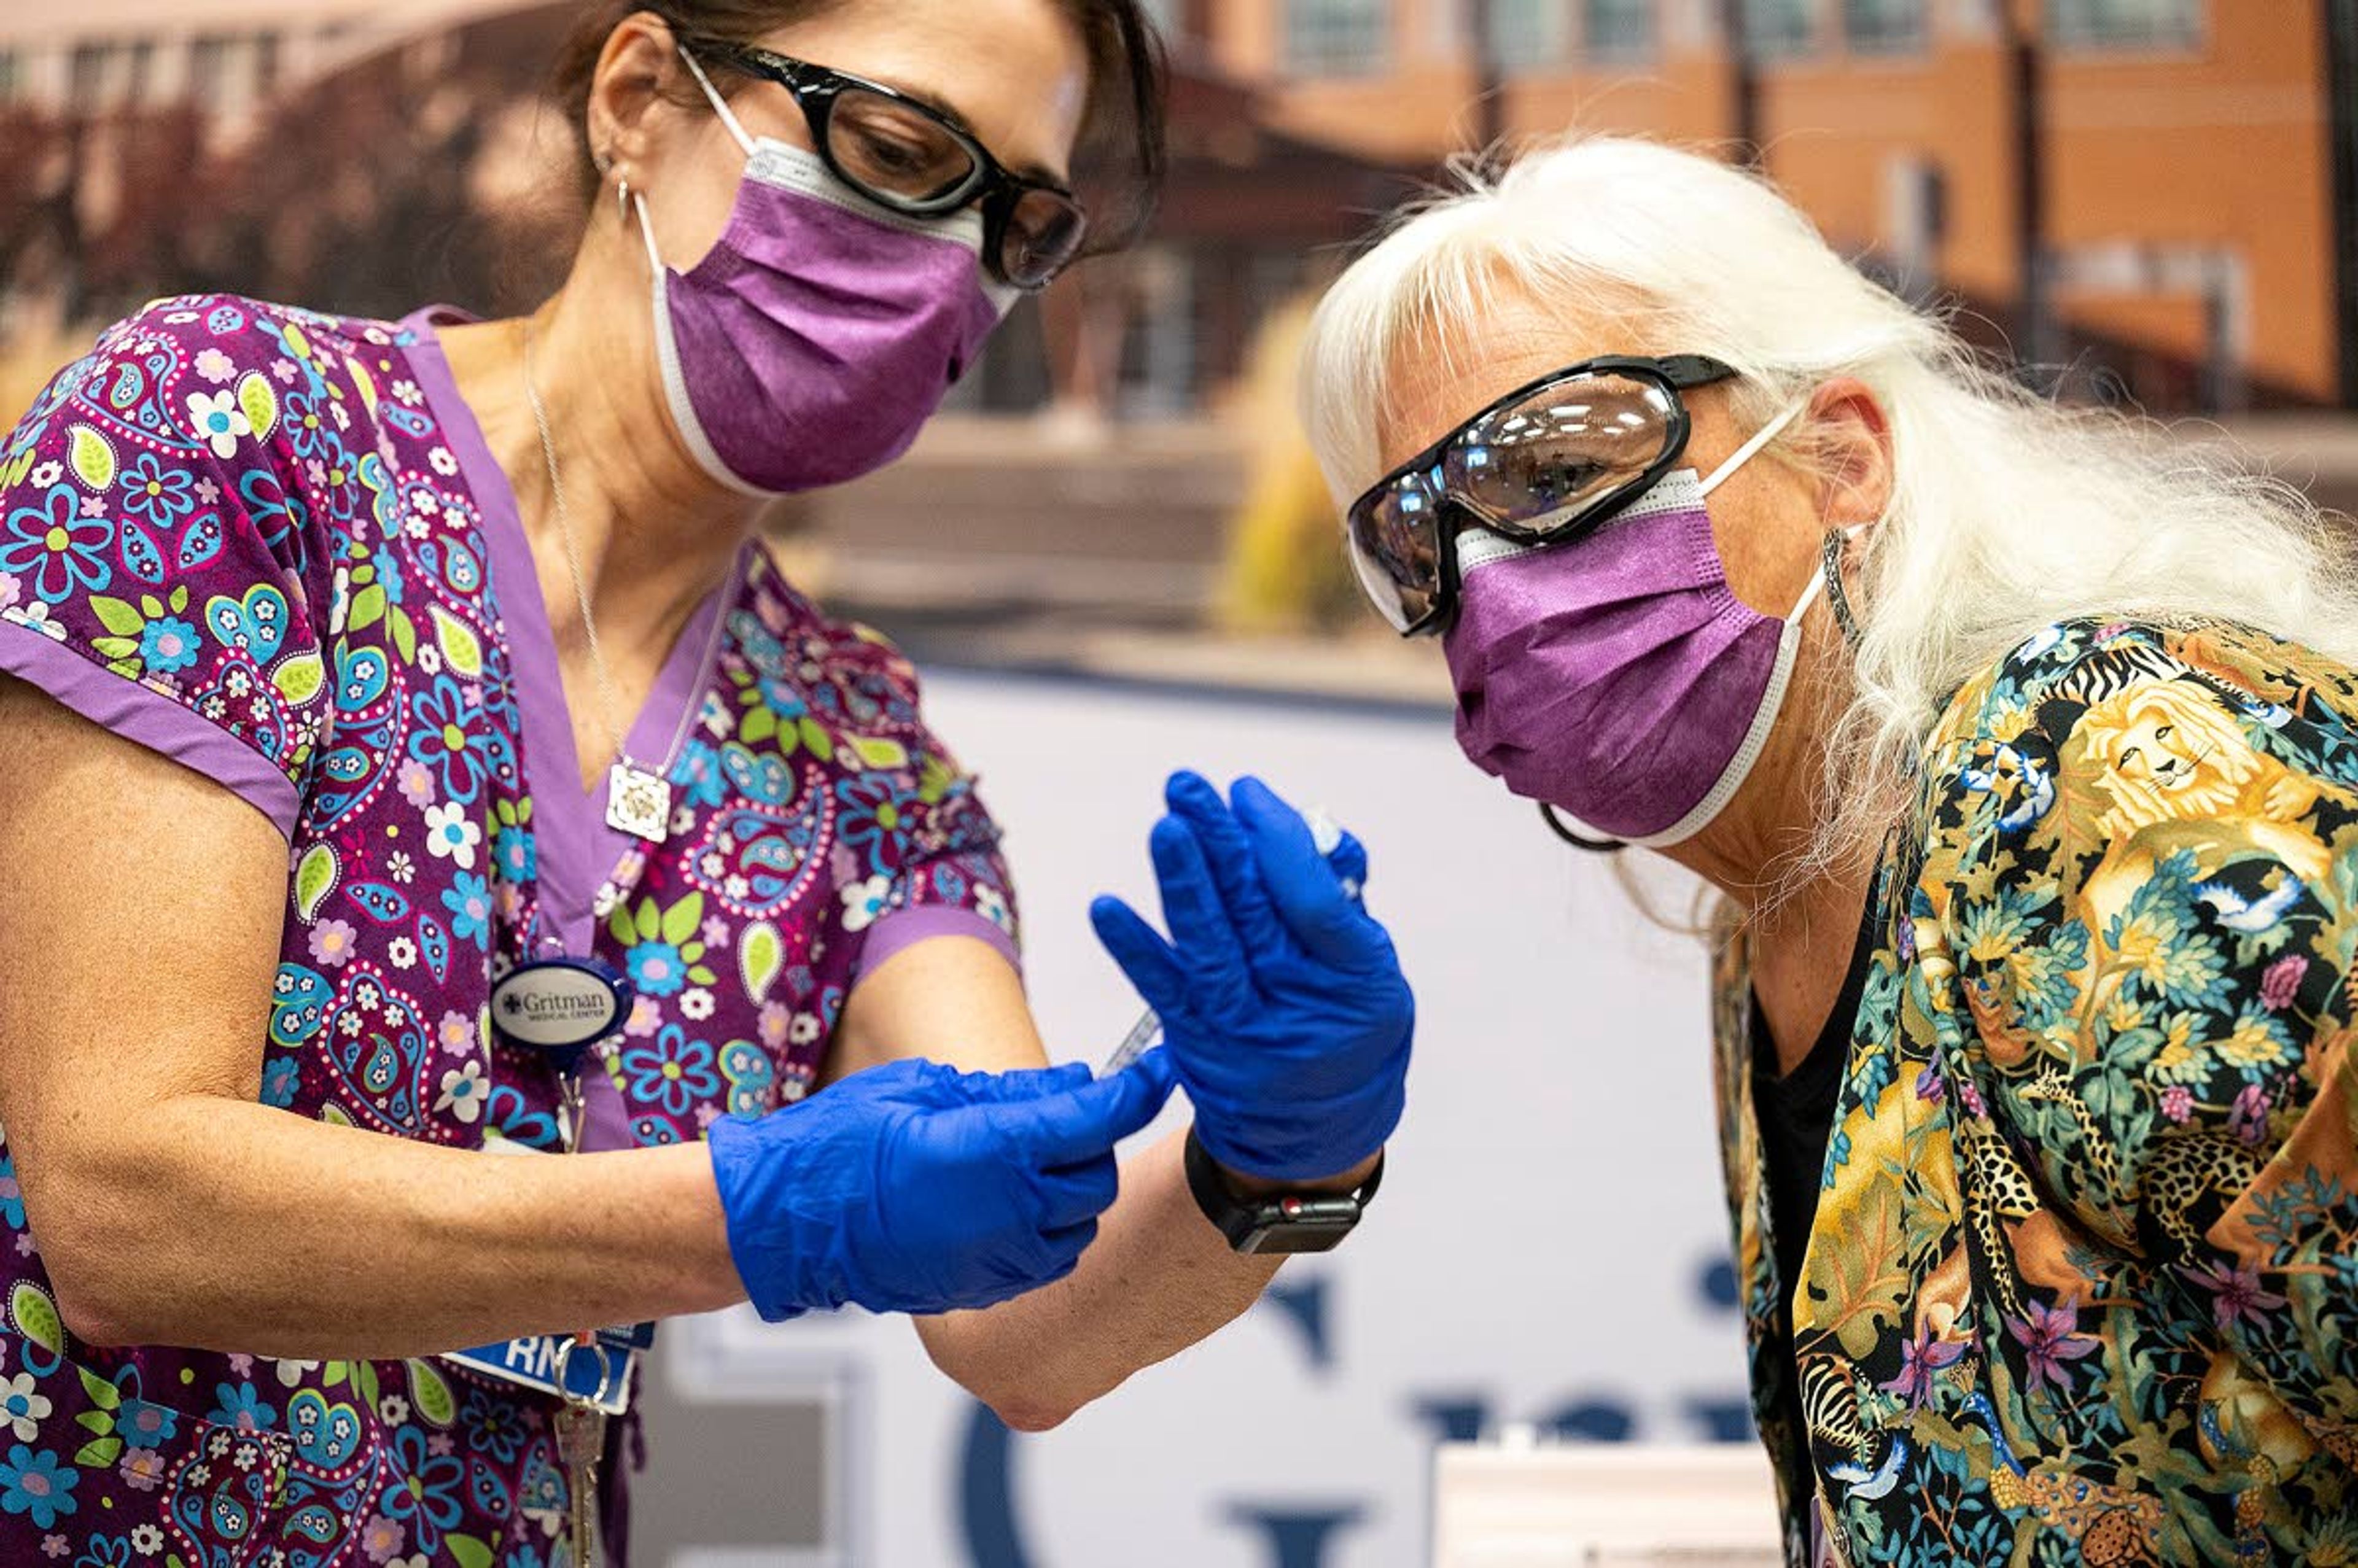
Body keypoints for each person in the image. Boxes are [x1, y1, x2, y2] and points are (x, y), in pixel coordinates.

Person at [0, 3, 1414, 1563]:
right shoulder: (225, 441)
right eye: (896, 154)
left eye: (1020, 225)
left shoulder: (858, 752)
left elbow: (1026, 1329)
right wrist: (752, 1211)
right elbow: (127, 1200)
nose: (951, 266)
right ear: (640, 100)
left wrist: (1274, 1156)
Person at [1296, 134, 2358, 1566]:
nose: (1485, 574)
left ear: (1841, 451)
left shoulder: (2098, 769)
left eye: (1559, 463)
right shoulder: (1771, 919)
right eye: (1414, 538)